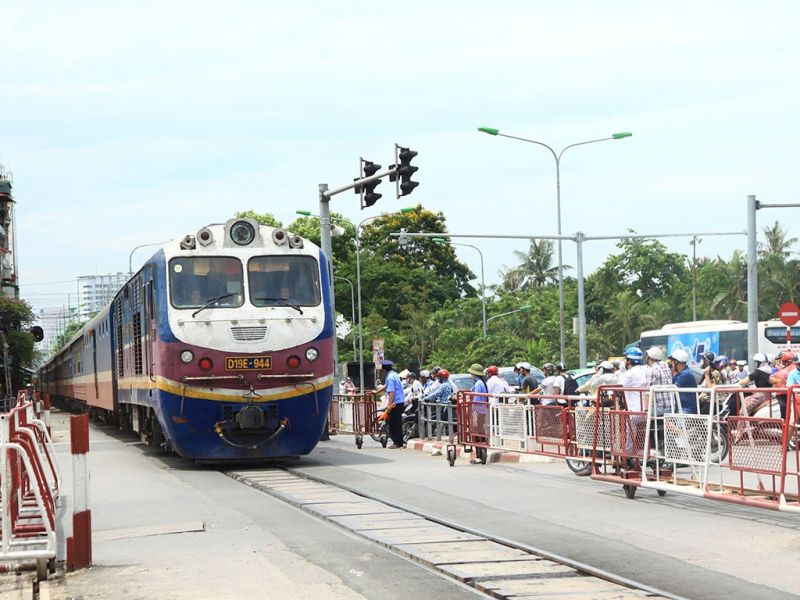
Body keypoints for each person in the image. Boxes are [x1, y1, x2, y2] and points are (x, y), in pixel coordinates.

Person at [375, 359, 405, 448]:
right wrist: (376, 392)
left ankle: (397, 442)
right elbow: (386, 386)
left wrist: (389, 405)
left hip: (395, 403)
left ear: (384, 369)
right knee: (397, 422)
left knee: (393, 423)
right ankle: (399, 441)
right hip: (400, 401)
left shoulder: (390, 377)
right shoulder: (394, 374)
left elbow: (392, 392)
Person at [645, 347, 674, 415]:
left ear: (649, 358)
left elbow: (647, 393)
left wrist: (646, 410)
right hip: (672, 406)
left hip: (660, 408)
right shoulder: (666, 366)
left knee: (636, 416)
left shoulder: (651, 370)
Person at [669, 349, 698, 414]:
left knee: (679, 421)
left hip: (687, 409)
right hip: (679, 407)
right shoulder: (679, 374)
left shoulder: (686, 374)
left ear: (676, 362)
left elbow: (672, 387)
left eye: (672, 361)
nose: (671, 363)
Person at [770, 351, 796, 419]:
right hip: (782, 393)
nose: (781, 361)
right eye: (780, 359)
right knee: (784, 406)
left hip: (793, 392)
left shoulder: (794, 368)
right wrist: (779, 380)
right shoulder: (776, 369)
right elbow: (771, 379)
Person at [619, 347, 647, 412]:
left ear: (629, 361)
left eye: (625, 359)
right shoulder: (644, 370)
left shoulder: (629, 373)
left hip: (633, 413)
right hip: (645, 412)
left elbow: (616, 388)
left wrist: (622, 372)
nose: (624, 361)